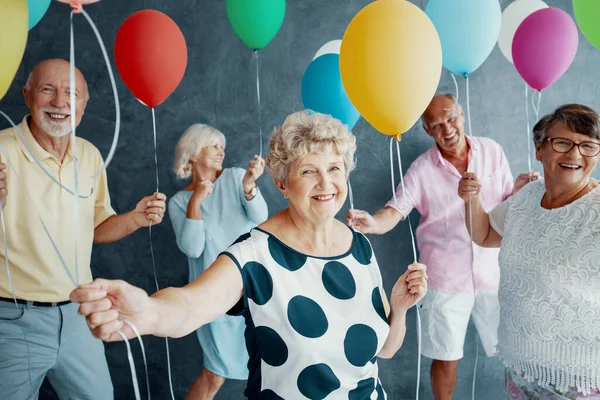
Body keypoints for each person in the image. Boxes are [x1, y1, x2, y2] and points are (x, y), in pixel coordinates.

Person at [71, 111, 428, 399]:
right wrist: (148, 312)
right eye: (308, 171)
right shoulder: (254, 255)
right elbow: (190, 306)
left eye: (334, 168)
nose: (325, 183)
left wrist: (399, 308)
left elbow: (386, 350)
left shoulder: (359, 247)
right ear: (282, 185)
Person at [347, 93, 535, 400]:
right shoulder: (421, 170)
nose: (447, 128)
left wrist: (517, 189)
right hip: (445, 278)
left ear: (461, 114)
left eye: (450, 118)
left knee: (516, 352)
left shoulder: (492, 151)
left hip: (495, 272)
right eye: (436, 124)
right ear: (426, 129)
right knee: (446, 356)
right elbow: (395, 210)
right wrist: (373, 223)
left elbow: (502, 201)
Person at [0, 59, 166, 399]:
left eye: (71, 94)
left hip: (80, 314)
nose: (60, 103)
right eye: (48, 89)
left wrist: (135, 217)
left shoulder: (88, 156)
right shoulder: (1, 150)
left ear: (84, 105)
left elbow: (96, 227)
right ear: (27, 95)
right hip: (12, 320)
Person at [459, 104, 600, 399]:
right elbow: (484, 234)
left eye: (588, 146)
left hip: (578, 381)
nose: (575, 154)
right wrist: (471, 199)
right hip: (520, 367)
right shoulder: (526, 197)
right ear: (539, 149)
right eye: (562, 142)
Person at [168, 123, 268, 399]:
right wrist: (195, 203)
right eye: (213, 145)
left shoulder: (237, 177)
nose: (220, 151)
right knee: (214, 375)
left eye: (222, 147)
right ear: (192, 153)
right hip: (212, 297)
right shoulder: (178, 201)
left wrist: (249, 186)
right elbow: (193, 248)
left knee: (271, 367)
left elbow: (261, 218)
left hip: (254, 291)